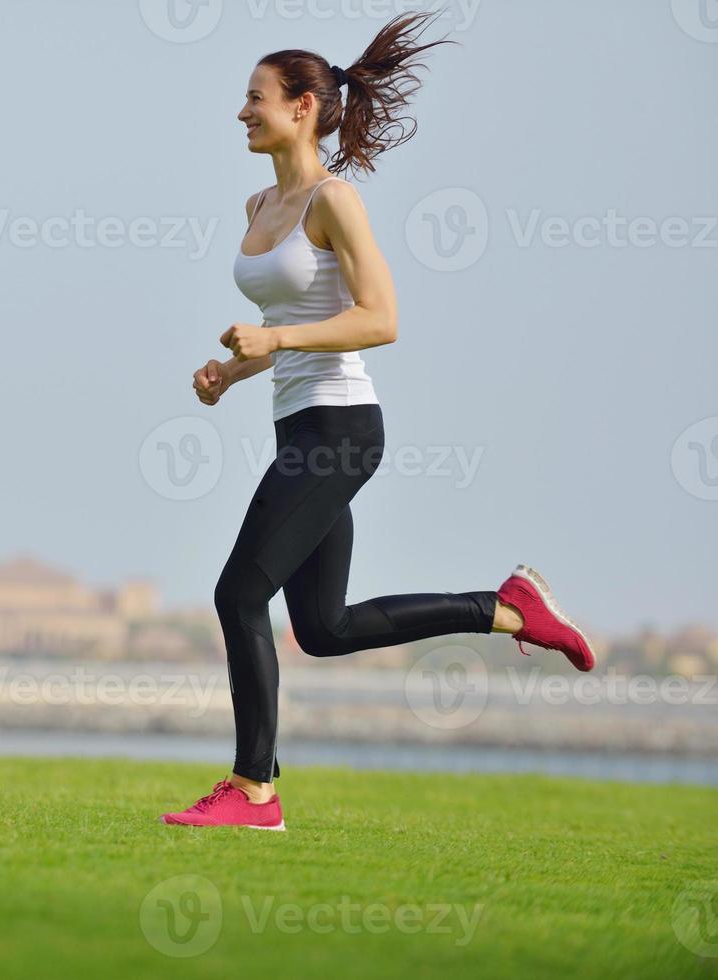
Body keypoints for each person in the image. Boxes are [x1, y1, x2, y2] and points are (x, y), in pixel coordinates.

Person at [160, 12, 593, 832]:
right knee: (321, 629)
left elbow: (379, 319)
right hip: (300, 427)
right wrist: (235, 368)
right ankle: (505, 608)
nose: (241, 113)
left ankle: (255, 792)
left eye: (254, 98)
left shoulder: (335, 200)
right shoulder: (258, 202)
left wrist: (275, 337)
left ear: (302, 107)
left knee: (236, 593)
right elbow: (297, 321)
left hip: (341, 431)